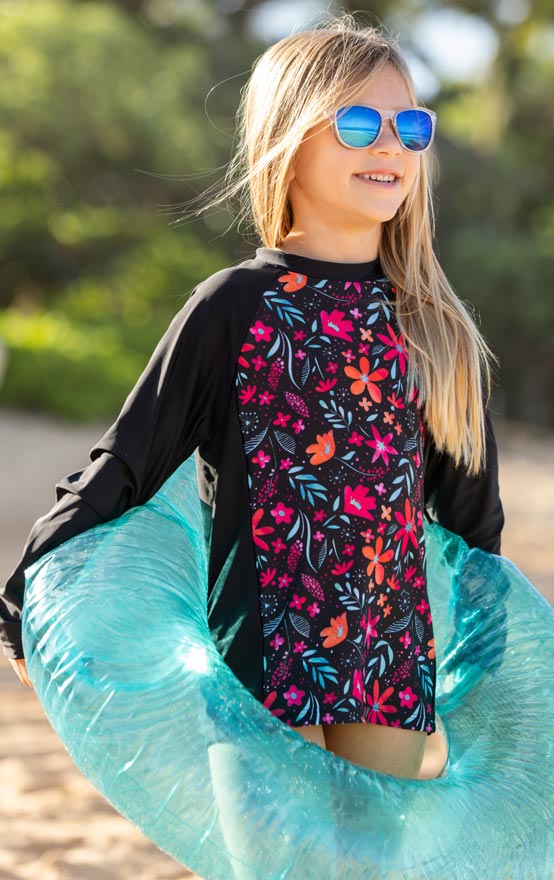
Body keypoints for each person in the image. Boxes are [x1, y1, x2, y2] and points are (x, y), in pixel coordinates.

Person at [0, 13, 504, 783]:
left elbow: (473, 530)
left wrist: (491, 665)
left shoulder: (434, 329)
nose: (390, 146)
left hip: (387, 659)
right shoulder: (233, 309)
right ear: (288, 141)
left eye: (410, 126)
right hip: (261, 658)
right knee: (275, 849)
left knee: (373, 846)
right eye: (358, 123)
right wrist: (23, 595)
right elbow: (124, 467)